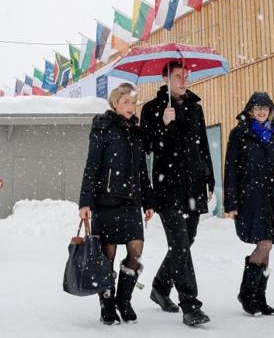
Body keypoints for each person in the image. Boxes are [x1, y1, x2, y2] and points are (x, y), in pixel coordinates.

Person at [140, 61, 214, 327]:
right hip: (167, 186)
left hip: (193, 185)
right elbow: (146, 145)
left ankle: (160, 287)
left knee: (187, 239)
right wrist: (162, 123)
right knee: (180, 243)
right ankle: (190, 305)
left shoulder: (196, 107)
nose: (184, 81)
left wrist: (210, 176)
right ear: (166, 78)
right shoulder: (151, 109)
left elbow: (202, 145)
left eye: (186, 76)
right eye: (179, 76)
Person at [79, 83, 155, 325]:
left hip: (131, 200)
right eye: (126, 102)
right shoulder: (103, 127)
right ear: (115, 103)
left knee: (136, 250)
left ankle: (124, 299)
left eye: (133, 103)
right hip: (106, 200)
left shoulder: (136, 131)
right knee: (108, 254)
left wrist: (148, 201)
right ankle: (107, 303)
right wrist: (85, 201)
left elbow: (142, 169)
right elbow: (92, 164)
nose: (131, 107)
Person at [223, 91, 274, 317]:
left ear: (271, 110)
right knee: (264, 244)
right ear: (250, 111)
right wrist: (231, 202)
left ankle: (260, 298)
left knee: (268, 246)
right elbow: (231, 170)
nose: (262, 111)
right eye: (257, 108)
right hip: (250, 198)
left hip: (273, 197)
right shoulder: (239, 135)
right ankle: (247, 294)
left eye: (265, 107)